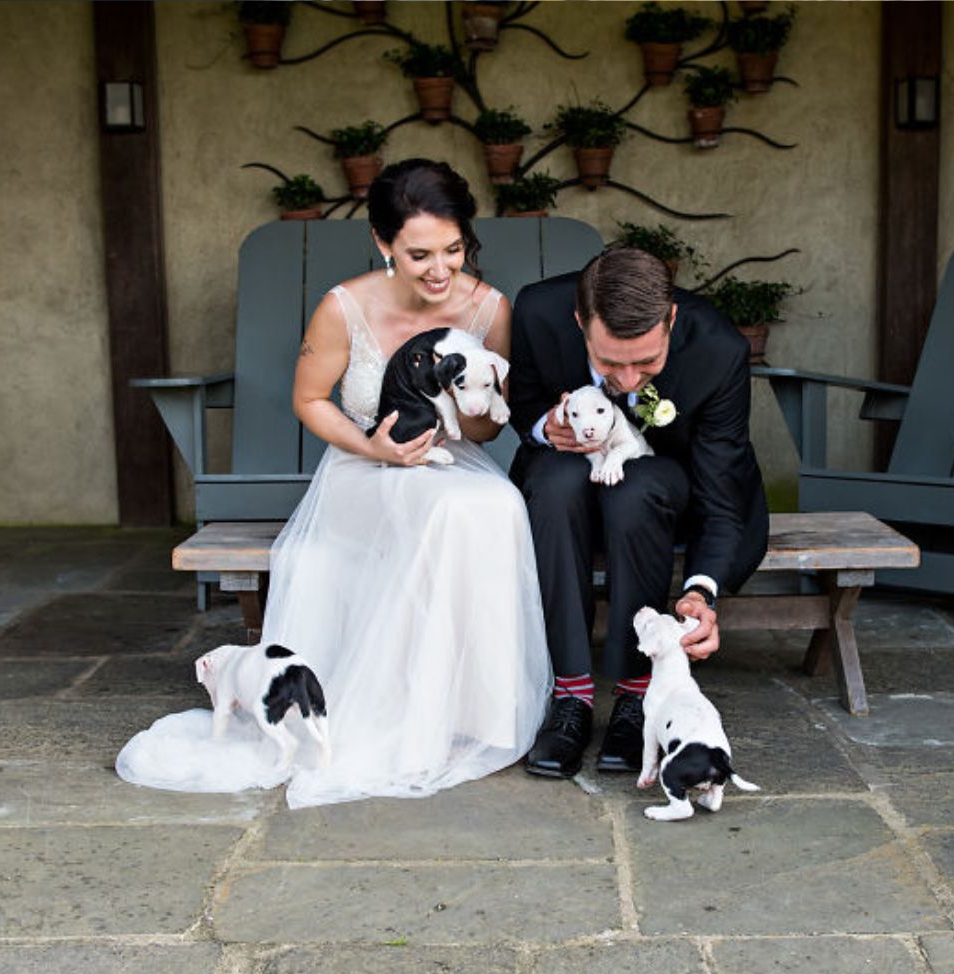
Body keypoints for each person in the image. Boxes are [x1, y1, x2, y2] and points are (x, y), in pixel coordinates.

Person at [117, 159, 549, 807]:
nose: (440, 270)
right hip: (362, 466)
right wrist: (371, 443)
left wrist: (483, 404)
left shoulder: (488, 308)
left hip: (448, 462)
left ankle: (474, 715)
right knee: (454, 511)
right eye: (420, 254)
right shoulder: (345, 306)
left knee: (497, 503)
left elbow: (485, 435)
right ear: (384, 244)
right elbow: (311, 400)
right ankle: (407, 716)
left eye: (455, 250)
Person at [509, 248, 769, 779]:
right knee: (555, 482)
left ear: (670, 321)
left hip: (669, 482)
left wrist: (701, 592)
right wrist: (543, 428)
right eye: (609, 363)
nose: (628, 381)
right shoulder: (537, 312)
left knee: (636, 489)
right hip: (569, 478)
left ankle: (635, 694)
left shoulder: (718, 349)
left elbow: (721, 493)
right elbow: (525, 403)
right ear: (580, 322)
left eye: (646, 364)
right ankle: (571, 695)